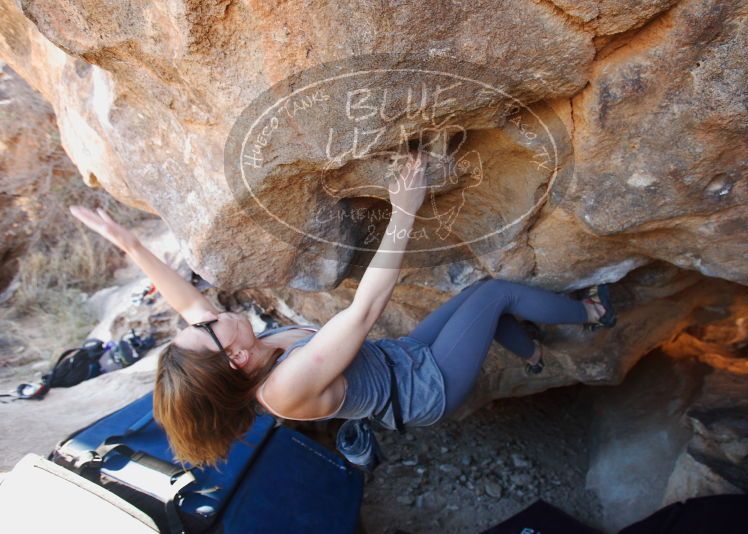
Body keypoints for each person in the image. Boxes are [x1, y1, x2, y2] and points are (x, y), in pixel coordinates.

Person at [69, 149, 615, 469]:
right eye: (208, 328)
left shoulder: (239, 351)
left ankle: (537, 352)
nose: (207, 312)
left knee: (477, 305)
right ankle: (593, 313)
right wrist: (405, 210)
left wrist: (131, 246)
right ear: (232, 359)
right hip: (427, 388)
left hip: (405, 358)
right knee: (493, 295)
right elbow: (365, 307)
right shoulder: (282, 388)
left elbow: (187, 304)